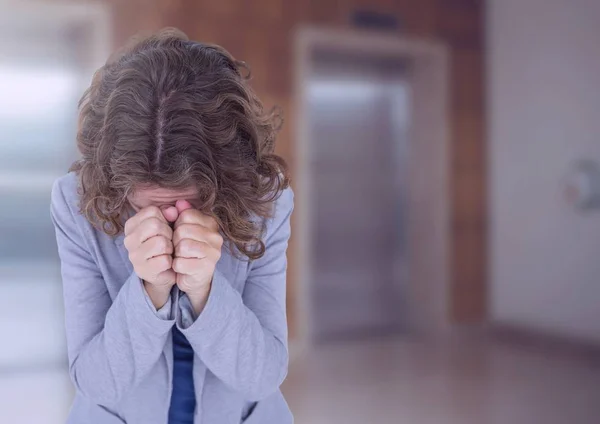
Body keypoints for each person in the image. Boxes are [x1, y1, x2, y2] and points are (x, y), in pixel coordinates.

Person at [50, 28, 293, 424]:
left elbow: (262, 377)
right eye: (146, 203)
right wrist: (149, 291)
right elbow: (94, 384)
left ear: (226, 176)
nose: (169, 218)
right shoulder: (75, 204)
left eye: (188, 200)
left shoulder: (267, 201)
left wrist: (205, 292)